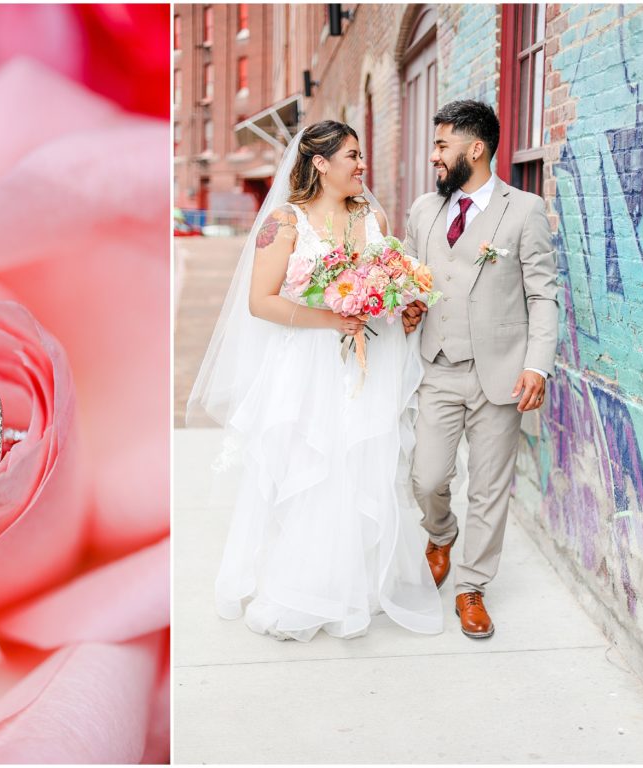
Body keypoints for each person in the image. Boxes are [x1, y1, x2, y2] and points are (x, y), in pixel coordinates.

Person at [188, 121, 444, 641]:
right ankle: (303, 590)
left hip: (370, 363)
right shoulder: (284, 222)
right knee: (315, 467)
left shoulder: (372, 216)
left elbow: (385, 286)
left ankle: (359, 586)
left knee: (363, 466)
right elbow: (261, 301)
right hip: (308, 364)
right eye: (352, 156)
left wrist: (401, 303)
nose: (361, 165)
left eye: (361, 156)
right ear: (321, 163)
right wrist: (333, 320)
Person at [401, 100, 558, 639]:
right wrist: (406, 306)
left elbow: (543, 295)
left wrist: (538, 365)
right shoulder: (424, 210)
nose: (434, 156)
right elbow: (410, 278)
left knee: (489, 488)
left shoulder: (525, 210)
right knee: (427, 478)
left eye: (442, 145)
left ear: (476, 149)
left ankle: (471, 586)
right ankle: (439, 533)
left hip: (501, 372)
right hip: (437, 366)